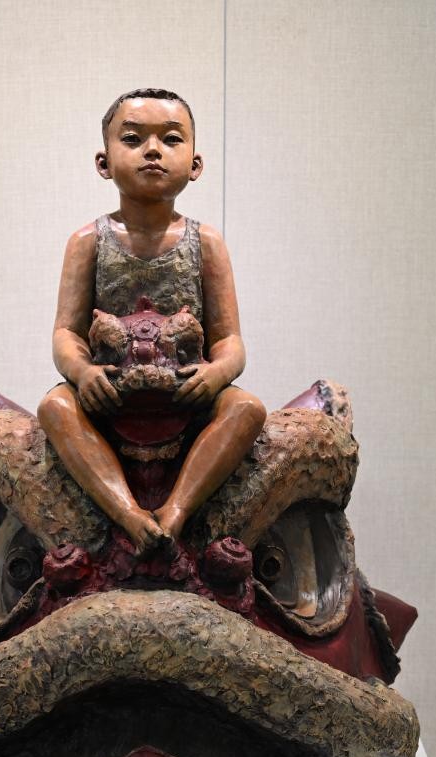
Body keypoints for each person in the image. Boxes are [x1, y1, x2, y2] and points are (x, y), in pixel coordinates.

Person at [38, 88, 266, 558]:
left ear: (195, 165)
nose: (153, 150)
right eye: (133, 138)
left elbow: (229, 340)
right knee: (56, 407)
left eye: (171, 139)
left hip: (186, 396)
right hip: (110, 397)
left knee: (246, 409)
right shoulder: (88, 242)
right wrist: (82, 372)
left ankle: (176, 511)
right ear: (104, 162)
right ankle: (127, 514)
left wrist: (216, 374)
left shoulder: (206, 242)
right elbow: (66, 333)